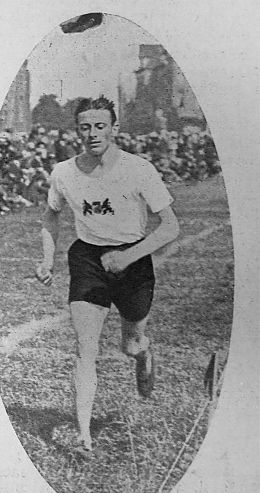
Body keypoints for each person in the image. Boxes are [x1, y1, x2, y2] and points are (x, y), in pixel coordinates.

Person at [36, 95, 179, 454]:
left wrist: (127, 257)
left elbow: (170, 227)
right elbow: (50, 215)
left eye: (100, 126)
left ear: (114, 129)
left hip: (133, 260)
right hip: (87, 260)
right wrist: (47, 259)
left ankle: (143, 354)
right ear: (77, 131)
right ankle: (84, 434)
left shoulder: (139, 169)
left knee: (129, 345)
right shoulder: (64, 172)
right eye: (85, 127)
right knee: (86, 348)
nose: (92, 133)